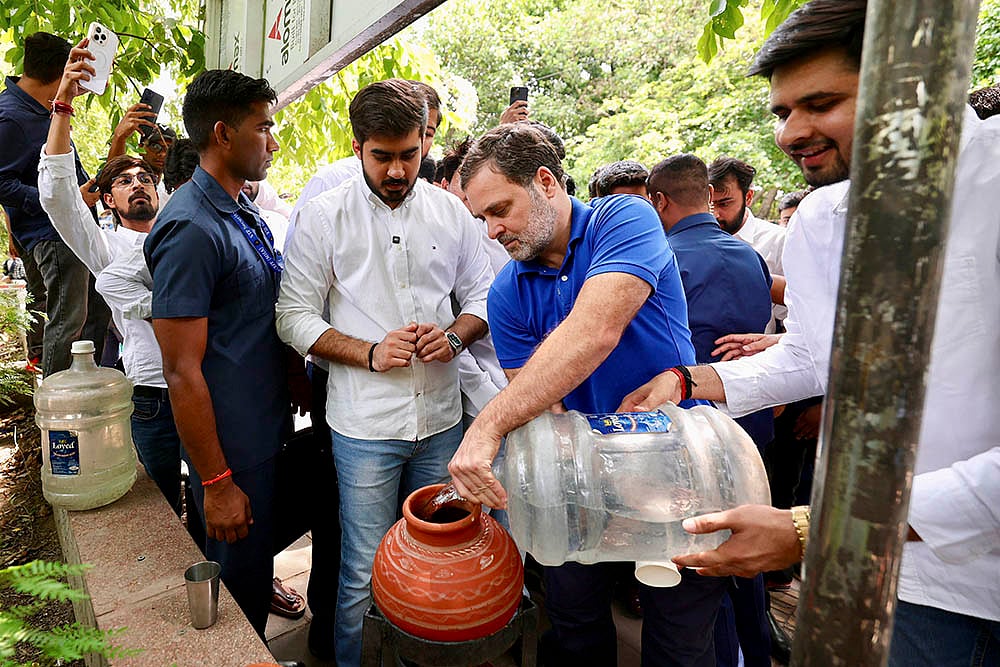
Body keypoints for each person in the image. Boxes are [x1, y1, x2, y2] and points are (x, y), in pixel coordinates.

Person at [619, 1, 1000, 664]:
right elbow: (816, 355)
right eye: (781, 112)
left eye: (820, 103)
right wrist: (691, 379)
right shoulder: (824, 217)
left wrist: (813, 526)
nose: (792, 133)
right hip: (885, 569)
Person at [448, 123, 727, 667]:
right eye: (481, 217)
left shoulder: (624, 219)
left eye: (500, 209)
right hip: (577, 481)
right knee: (576, 626)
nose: (491, 231)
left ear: (546, 181)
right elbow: (539, 399)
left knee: (681, 640)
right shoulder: (507, 291)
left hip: (678, 470)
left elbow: (596, 330)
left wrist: (487, 427)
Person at [275, 78, 492, 667]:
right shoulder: (323, 216)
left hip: (443, 420)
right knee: (362, 570)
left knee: (442, 555)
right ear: (357, 146)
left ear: (426, 141)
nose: (397, 170)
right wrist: (368, 352)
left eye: (409, 155)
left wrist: (454, 336)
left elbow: (483, 297)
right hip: (364, 426)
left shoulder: (453, 213)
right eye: (382, 157)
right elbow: (291, 317)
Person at [35, 40, 207, 544]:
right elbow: (58, 195)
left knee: (211, 498)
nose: (138, 184)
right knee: (158, 511)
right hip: (152, 396)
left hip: (207, 387)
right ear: (108, 200)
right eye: (124, 181)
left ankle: (235, 585)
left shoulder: (185, 228)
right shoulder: (105, 248)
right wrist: (64, 100)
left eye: (145, 178)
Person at [144, 69, 290, 637]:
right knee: (235, 591)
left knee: (253, 575)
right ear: (224, 134)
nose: (273, 142)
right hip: (231, 448)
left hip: (262, 427)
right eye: (264, 128)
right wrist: (216, 482)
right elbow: (181, 371)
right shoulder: (190, 228)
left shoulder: (239, 209)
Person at [647, 154, 774, 667]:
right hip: (753, 424)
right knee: (753, 552)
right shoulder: (750, 257)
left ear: (659, 201)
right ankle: (759, 653)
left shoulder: (659, 259)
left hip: (694, 435)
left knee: (707, 565)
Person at [0, 31, 111, 375]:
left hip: (73, 224)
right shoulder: (10, 118)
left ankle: (78, 391)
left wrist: (81, 194)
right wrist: (54, 202)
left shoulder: (42, 110)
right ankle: (54, 407)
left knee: (93, 311)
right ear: (59, 73)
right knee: (68, 322)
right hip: (51, 233)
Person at [709, 157, 787, 332]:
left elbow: (796, 315)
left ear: (749, 197)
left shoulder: (778, 240)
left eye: (724, 203)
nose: (716, 214)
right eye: (710, 204)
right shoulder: (692, 241)